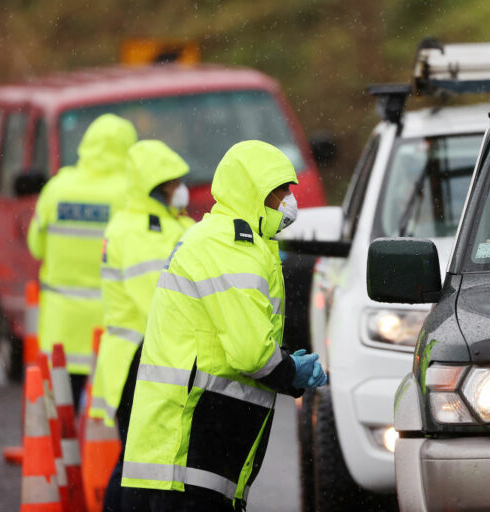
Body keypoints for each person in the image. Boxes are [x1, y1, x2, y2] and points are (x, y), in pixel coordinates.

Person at [121, 140, 327, 511]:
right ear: (252, 192)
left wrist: (283, 364)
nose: (288, 201)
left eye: (288, 191)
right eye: (278, 192)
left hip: (185, 455)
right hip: (189, 452)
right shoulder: (231, 245)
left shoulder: (223, 239)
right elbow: (250, 353)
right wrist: (289, 370)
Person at [88, 140, 196, 511]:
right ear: (155, 185)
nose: (180, 188)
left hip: (149, 357)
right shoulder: (136, 231)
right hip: (140, 358)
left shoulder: (165, 223)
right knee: (139, 465)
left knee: (142, 462)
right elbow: (159, 300)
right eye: (172, 182)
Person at [27, 114, 138, 409]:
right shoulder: (129, 194)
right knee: (105, 416)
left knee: (61, 418)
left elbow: (35, 246)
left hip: (61, 328)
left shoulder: (57, 188)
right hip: (109, 329)